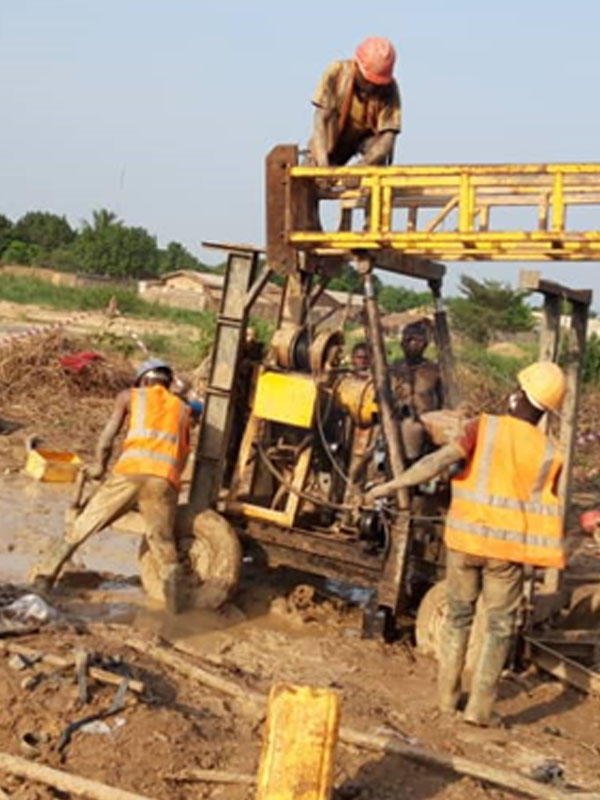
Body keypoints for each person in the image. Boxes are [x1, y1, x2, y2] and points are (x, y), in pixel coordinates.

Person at [365, 361, 567, 725]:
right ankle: (478, 712)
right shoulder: (551, 451)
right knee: (499, 628)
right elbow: (545, 507)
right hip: (506, 554)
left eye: (518, 389)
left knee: (458, 618)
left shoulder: (483, 428)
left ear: (520, 397)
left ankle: (445, 701)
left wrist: (390, 485)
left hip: (465, 541)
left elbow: (437, 462)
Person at [30, 358, 191, 613]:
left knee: (82, 526)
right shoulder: (183, 408)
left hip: (129, 474)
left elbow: (107, 439)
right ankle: (176, 611)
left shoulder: (129, 396)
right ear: (168, 382)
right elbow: (182, 451)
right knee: (164, 543)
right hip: (164, 478)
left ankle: (42, 584)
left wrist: (98, 468)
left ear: (142, 380)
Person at [309, 37, 401, 167]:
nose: (372, 87)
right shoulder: (337, 73)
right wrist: (322, 162)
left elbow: (388, 138)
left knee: (378, 154)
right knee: (306, 177)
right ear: (357, 66)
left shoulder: (389, 89)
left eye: (377, 83)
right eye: (368, 81)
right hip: (332, 139)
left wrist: (360, 168)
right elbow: (321, 118)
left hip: (366, 144)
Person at [391, 319, 443, 460]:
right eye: (409, 340)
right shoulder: (394, 368)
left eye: (418, 340)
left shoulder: (434, 370)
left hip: (428, 423)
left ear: (425, 344)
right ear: (402, 344)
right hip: (397, 423)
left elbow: (443, 399)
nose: (413, 344)